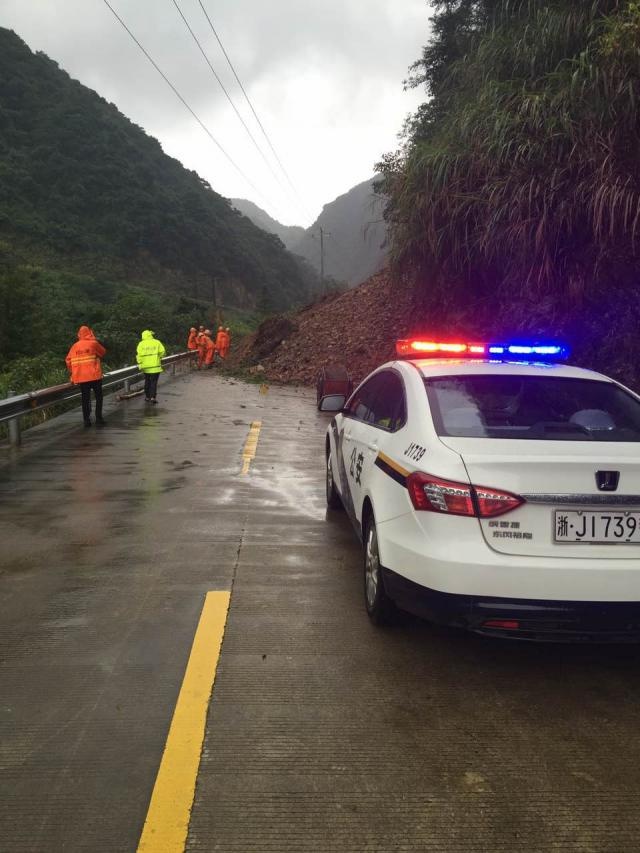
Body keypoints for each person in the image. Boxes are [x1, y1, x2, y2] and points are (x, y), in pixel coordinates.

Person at [65, 325, 107, 427]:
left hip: (81, 378)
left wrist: (74, 372)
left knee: (85, 398)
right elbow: (103, 352)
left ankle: (86, 420)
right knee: (98, 397)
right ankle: (98, 418)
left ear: (79, 334)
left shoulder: (74, 346)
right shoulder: (93, 343)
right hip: (94, 376)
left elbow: (68, 361)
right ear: (89, 333)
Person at [136, 329, 166, 404]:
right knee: (153, 382)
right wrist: (159, 357)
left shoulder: (141, 344)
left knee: (147, 381)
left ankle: (147, 397)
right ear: (150, 335)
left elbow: (138, 355)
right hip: (155, 367)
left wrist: (140, 363)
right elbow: (163, 352)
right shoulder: (157, 342)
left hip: (145, 367)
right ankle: (153, 397)